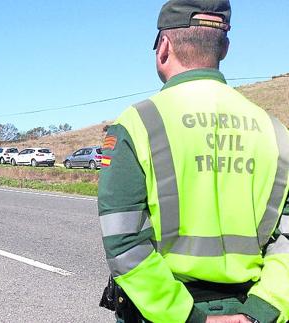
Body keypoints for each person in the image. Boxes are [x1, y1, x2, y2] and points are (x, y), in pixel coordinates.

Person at [97, 0, 289, 322]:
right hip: (253, 309)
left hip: (162, 313)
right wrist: (260, 311)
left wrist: (187, 317)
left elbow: (124, 242)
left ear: (164, 47)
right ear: (224, 48)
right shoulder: (276, 132)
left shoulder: (137, 124)